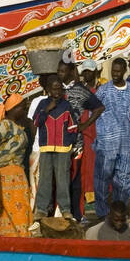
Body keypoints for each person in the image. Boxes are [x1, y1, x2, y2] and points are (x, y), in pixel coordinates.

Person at [94, 56, 130, 219]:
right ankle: (102, 212)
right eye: (113, 71)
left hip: (126, 143)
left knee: (124, 179)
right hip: (107, 144)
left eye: (118, 71)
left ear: (125, 72)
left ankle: (120, 212)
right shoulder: (103, 91)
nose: (115, 74)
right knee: (102, 177)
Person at [31, 74, 80, 222]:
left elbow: (73, 127)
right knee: (45, 179)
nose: (57, 92)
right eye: (54, 89)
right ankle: (41, 209)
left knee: (62, 180)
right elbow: (36, 122)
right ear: (48, 90)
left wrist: (69, 143)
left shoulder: (66, 106)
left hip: (63, 149)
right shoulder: (42, 105)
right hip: (46, 148)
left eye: (59, 89)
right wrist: (46, 110)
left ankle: (65, 209)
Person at [0, 93, 33, 237]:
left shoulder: (19, 126)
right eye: (22, 108)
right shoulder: (5, 124)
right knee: (5, 208)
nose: (24, 111)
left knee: (17, 208)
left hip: (16, 174)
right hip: (4, 174)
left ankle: (16, 237)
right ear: (13, 108)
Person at [74, 59, 105, 217]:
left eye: (89, 71)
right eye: (84, 71)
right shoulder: (79, 91)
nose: (86, 74)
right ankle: (87, 201)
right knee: (86, 169)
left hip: (100, 134)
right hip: (85, 135)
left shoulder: (102, 90)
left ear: (95, 72)